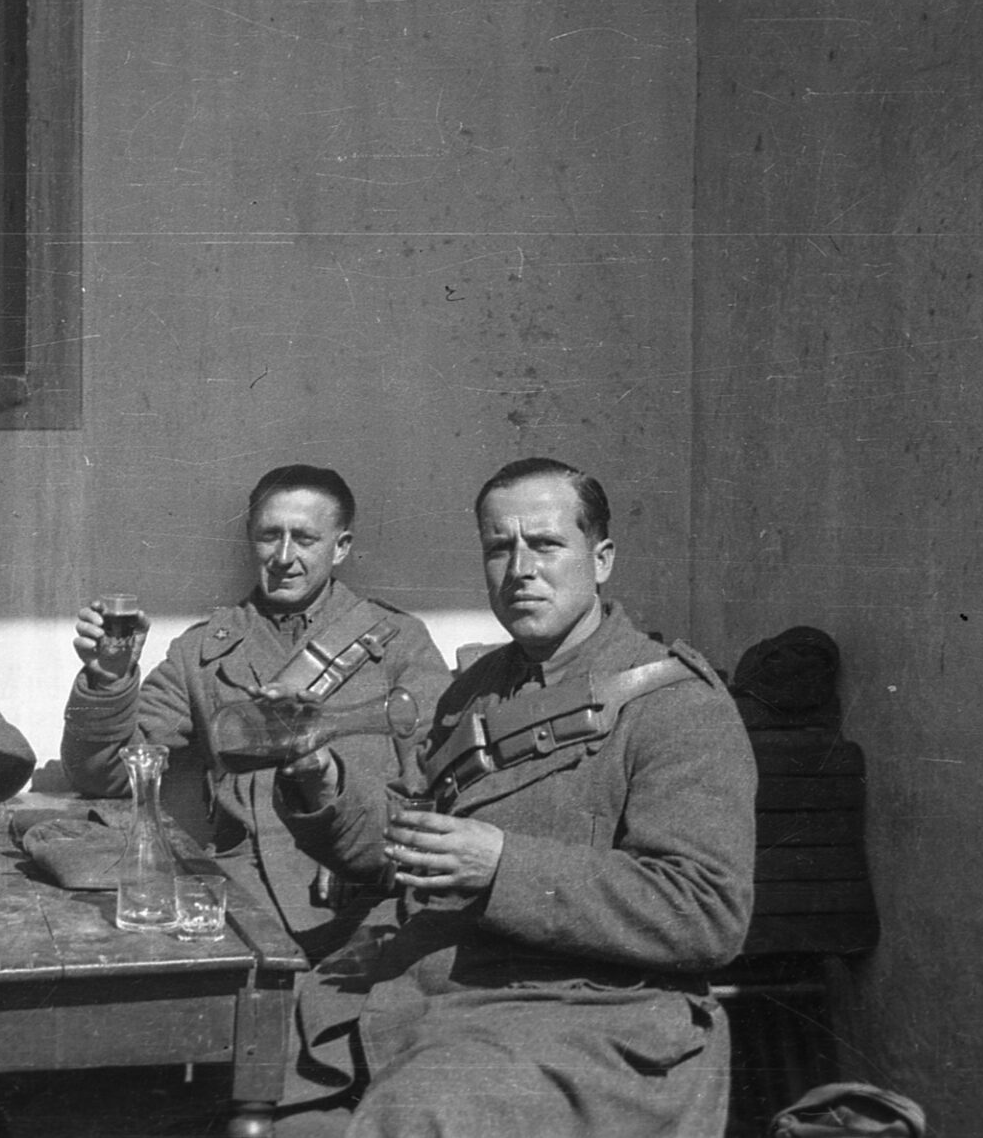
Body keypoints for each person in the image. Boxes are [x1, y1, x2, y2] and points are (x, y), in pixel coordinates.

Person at [275, 457, 758, 1136]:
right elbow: (406, 847)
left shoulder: (675, 704)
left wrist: (503, 867)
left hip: (596, 1016)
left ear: (601, 559)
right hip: (439, 992)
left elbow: (708, 913)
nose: (520, 569)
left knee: (420, 1114)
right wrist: (321, 781)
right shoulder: (473, 692)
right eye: (499, 547)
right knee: (282, 1085)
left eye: (546, 544)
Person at [62, 464, 452, 1125]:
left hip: (366, 905)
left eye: (306, 537)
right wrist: (109, 677)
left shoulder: (396, 642)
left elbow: (436, 782)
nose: (285, 555)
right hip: (247, 913)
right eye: (270, 536)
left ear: (342, 547)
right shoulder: (202, 653)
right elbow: (105, 773)